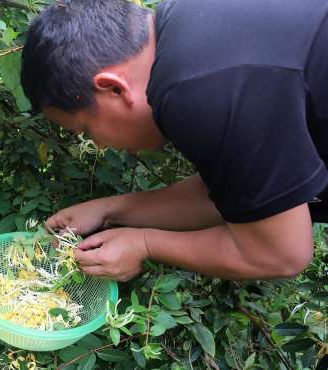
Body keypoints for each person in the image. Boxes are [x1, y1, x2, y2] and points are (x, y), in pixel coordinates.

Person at [20, 0, 328, 281]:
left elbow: (280, 255)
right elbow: (239, 192)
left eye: (86, 130)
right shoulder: (193, 31)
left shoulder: (196, 90)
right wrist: (109, 209)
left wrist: (145, 244)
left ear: (114, 88)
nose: (98, 145)